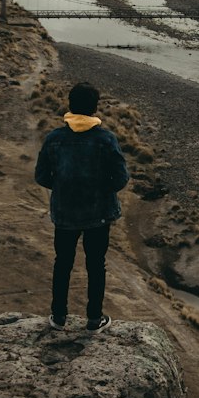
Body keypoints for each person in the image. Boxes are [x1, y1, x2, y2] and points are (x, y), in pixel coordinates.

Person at [34, 81, 129, 331]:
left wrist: (64, 186)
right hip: (98, 216)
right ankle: (94, 319)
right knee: (96, 265)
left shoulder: (54, 139)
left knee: (62, 263)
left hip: (64, 215)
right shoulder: (106, 140)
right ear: (94, 108)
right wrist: (99, 190)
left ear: (70, 106)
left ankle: (58, 317)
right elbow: (121, 178)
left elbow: (41, 176)